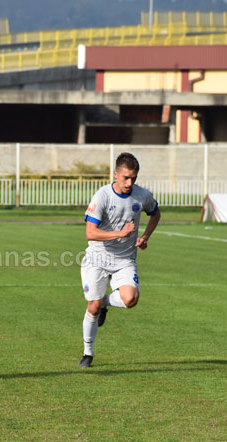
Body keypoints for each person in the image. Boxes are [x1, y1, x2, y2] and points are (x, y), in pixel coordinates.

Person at [78, 152, 161, 368]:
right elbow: (90, 232)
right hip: (97, 258)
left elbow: (155, 213)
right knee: (93, 308)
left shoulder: (142, 195)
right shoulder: (102, 196)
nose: (129, 183)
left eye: (133, 178)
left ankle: (105, 302)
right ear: (115, 174)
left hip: (125, 258)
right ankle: (87, 353)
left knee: (130, 300)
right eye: (125, 177)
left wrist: (145, 237)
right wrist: (120, 233)